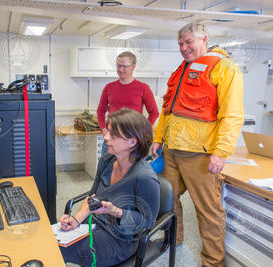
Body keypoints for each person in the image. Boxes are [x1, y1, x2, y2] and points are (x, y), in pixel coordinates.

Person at [152, 23, 244, 267]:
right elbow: (167, 110)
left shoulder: (225, 68)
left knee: (208, 212)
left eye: (188, 42)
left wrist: (221, 152)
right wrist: (158, 138)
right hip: (171, 151)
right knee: (167, 201)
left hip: (200, 155)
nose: (184, 48)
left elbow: (232, 115)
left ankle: (213, 261)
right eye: (181, 44)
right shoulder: (182, 69)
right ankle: (174, 241)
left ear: (204, 38)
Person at [59, 108, 160, 266]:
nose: (105, 136)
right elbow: (92, 197)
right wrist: (75, 220)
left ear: (132, 142)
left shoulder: (145, 178)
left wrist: (115, 211)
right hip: (94, 224)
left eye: (113, 134)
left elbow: (147, 222)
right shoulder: (106, 160)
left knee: (58, 250)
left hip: (120, 239)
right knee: (53, 242)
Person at [97, 51, 159, 154]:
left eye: (124, 66)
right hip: (112, 136)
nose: (121, 69)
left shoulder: (143, 88)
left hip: (133, 138)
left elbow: (154, 112)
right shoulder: (109, 87)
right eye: (118, 66)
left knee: (132, 169)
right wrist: (103, 129)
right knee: (106, 168)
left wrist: (143, 131)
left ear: (133, 67)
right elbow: (100, 110)